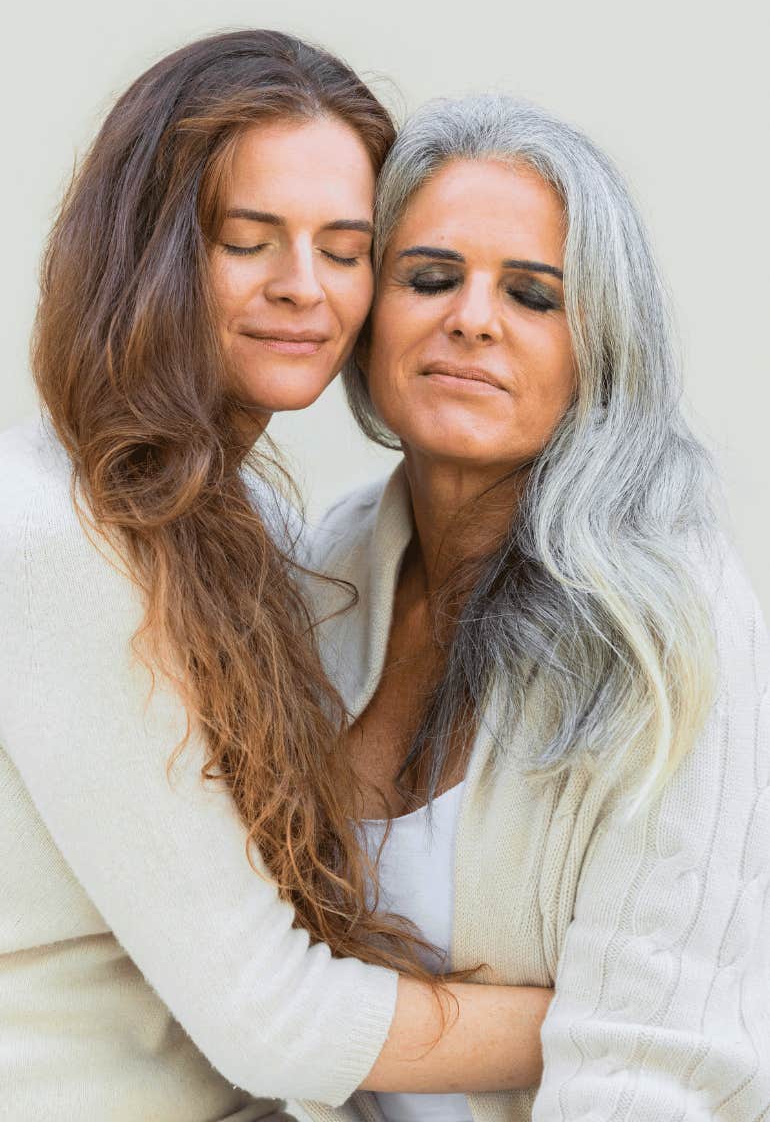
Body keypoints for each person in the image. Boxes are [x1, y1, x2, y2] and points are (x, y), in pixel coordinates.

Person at [0, 35, 551, 1121]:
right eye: (247, 241)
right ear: (150, 254)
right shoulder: (40, 534)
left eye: (346, 250)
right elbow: (273, 1018)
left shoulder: (250, 523)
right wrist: (650, 1001)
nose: (303, 290)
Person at [305, 94, 770, 1122]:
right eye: (429, 278)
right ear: (367, 314)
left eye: (533, 296)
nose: (471, 317)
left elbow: (653, 1064)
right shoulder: (318, 575)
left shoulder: (670, 621)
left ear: (599, 350)